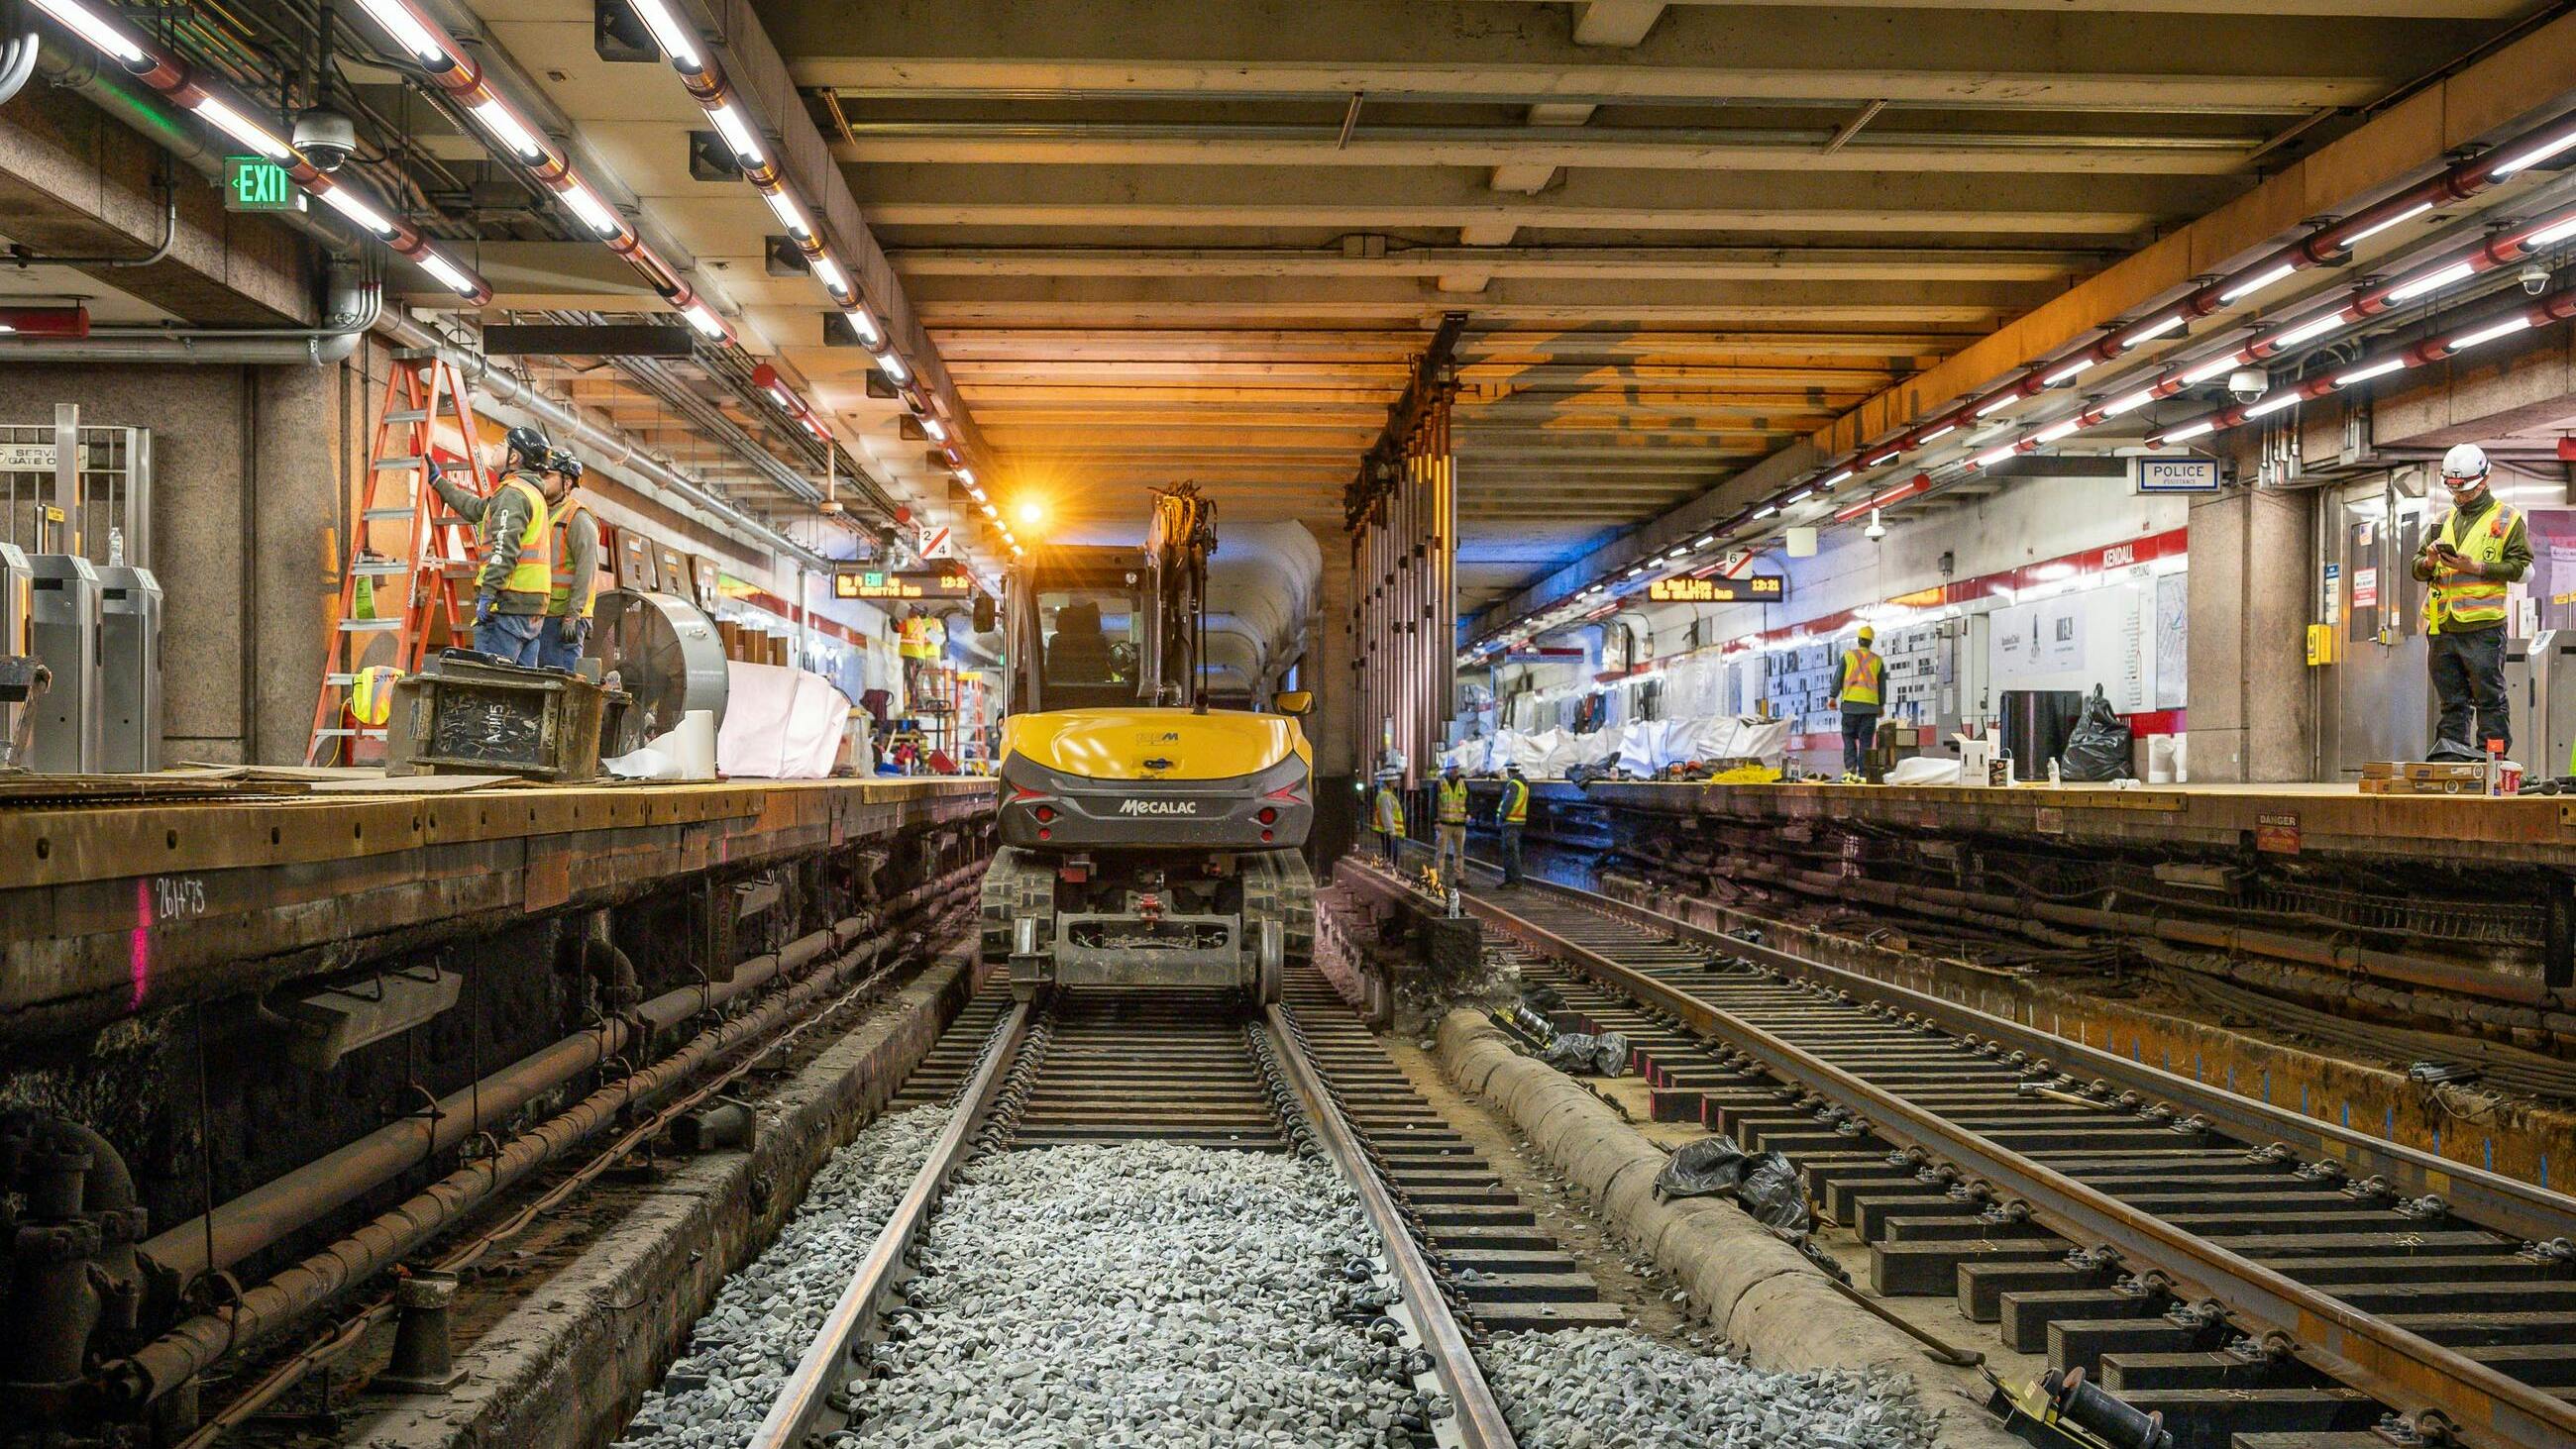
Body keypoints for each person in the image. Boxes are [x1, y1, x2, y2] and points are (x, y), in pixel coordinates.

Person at [2413, 443, 2529, 761]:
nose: (2459, 495)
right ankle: (2451, 759)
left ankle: (2492, 763)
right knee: (2452, 701)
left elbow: (2522, 568)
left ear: (2484, 479)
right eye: (2454, 489)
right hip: (2442, 626)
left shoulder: (2507, 519)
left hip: (2483, 628)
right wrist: (2429, 561)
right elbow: (2417, 566)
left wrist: (2476, 567)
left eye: (2464, 489)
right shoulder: (2442, 520)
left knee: (2489, 697)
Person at [427, 425, 554, 666]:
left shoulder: (513, 494)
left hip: (507, 606)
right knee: (522, 689)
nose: (496, 447)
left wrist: (488, 593)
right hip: (530, 609)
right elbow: (475, 509)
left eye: (503, 444)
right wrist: (438, 481)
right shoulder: (529, 493)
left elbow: (503, 549)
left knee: (491, 686)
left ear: (514, 457)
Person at [538, 450, 600, 673]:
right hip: (543, 614)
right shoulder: (542, 513)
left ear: (567, 482)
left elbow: (587, 570)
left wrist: (573, 615)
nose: (541, 479)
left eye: (547, 474)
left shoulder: (579, 518)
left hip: (564, 619)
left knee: (561, 684)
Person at [1829, 624, 1885, 780]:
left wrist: (1832, 697)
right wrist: (1881, 705)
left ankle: (1850, 766)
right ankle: (1863, 773)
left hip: (1850, 707)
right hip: (1869, 708)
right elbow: (1882, 686)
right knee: (1866, 741)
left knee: (1848, 736)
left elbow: (1838, 678)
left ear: (1859, 640)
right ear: (1870, 642)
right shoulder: (1877, 661)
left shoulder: (1848, 656)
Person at [1434, 762, 1470, 885]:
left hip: (1460, 824)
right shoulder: (1440, 784)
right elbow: (1434, 802)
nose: (1455, 770)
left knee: (1459, 853)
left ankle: (1460, 877)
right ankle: (1439, 877)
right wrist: (1436, 820)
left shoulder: (1463, 783)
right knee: (1441, 852)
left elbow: (1469, 800)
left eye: (1456, 767)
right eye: (1452, 768)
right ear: (1447, 769)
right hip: (1444, 824)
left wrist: (1469, 813)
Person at [1496, 763, 1531, 887]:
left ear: (1509, 771)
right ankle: (1513, 880)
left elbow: (1508, 803)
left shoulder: (1513, 784)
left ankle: (1513, 880)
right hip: (1518, 821)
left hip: (1510, 821)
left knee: (1510, 852)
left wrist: (1501, 817)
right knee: (1512, 851)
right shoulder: (1524, 784)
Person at [1370, 773, 1406, 868]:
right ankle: (1390, 869)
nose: (1398, 782)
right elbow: (1387, 815)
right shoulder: (1386, 796)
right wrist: (1391, 831)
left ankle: (1390, 867)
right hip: (1389, 832)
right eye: (1396, 781)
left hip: (1390, 831)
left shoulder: (1388, 795)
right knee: (1391, 856)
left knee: (1391, 854)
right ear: (1390, 782)